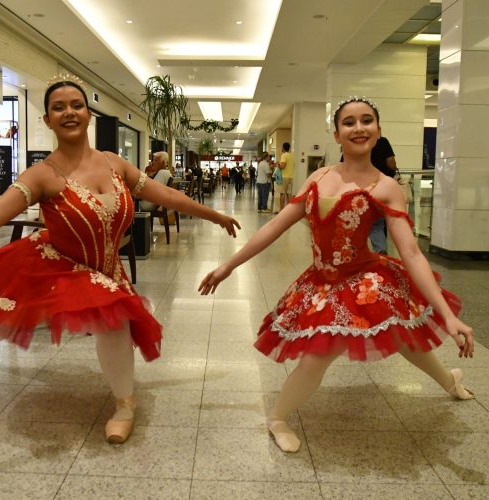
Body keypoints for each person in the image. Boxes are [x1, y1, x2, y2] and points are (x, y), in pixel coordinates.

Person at [0, 80, 241, 445]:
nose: (69, 112)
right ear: (48, 119)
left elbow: (165, 193)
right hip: (63, 263)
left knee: (36, 312)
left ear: (88, 114)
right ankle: (125, 405)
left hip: (107, 266)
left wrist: (213, 214)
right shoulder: (43, 175)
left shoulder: (114, 163)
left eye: (77, 105)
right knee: (107, 319)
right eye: (59, 107)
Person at [198, 96, 474, 453]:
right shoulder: (319, 177)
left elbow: (410, 252)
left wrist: (448, 316)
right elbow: (276, 227)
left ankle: (449, 381)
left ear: (378, 130)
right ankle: (278, 417)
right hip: (321, 281)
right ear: (337, 133)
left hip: (365, 281)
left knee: (402, 337)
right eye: (349, 122)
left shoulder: (388, 187)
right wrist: (228, 265)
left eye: (367, 121)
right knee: (321, 355)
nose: (359, 128)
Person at [369, 135, 398, 254]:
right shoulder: (383, 142)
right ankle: (380, 252)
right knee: (377, 224)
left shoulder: (355, 142)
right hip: (381, 187)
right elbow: (391, 162)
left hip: (360, 186)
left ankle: (354, 254)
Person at [278, 142, 295, 209]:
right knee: (289, 194)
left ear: (283, 148)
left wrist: (278, 165)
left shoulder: (284, 155)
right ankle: (288, 210)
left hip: (284, 177)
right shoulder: (292, 156)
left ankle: (281, 210)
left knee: (282, 194)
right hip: (291, 177)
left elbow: (282, 166)